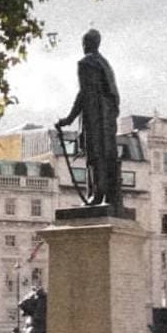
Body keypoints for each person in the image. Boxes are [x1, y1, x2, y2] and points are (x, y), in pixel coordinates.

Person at [56, 28, 121, 211]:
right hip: (108, 119)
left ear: (86, 44)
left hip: (95, 116)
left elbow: (84, 93)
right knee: (106, 154)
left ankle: (96, 194)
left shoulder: (86, 63)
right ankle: (103, 194)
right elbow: (115, 95)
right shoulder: (105, 64)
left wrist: (68, 119)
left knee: (95, 155)